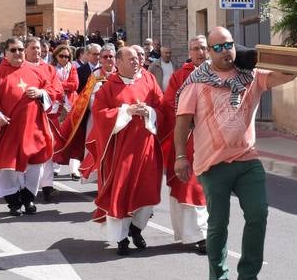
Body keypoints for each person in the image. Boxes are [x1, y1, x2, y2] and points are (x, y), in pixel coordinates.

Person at [173, 26, 296, 280]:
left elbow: (287, 76)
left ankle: (248, 277)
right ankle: (218, 279)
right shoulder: (197, 81)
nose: (223, 51)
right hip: (212, 163)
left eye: (228, 45)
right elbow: (181, 124)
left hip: (247, 159)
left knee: (258, 214)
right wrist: (181, 157)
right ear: (208, 51)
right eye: (216, 47)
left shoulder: (250, 75)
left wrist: (282, 54)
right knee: (219, 222)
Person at [87, 46, 164, 255]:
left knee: (147, 190)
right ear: (118, 63)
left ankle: (136, 228)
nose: (136, 61)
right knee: (120, 192)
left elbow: (162, 107)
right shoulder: (108, 87)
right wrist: (126, 111)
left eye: (137, 58)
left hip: (146, 147)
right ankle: (121, 239)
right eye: (130, 59)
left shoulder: (148, 80)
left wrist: (149, 111)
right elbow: (100, 114)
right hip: (120, 151)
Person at [0, 37, 60, 216]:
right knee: (8, 169)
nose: (18, 53)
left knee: (35, 166)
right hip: (7, 130)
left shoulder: (35, 71)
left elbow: (53, 90)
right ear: (5, 53)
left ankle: (29, 197)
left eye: (20, 49)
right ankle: (14, 202)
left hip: (34, 128)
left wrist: (41, 93)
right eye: (14, 50)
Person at [159, 36, 210, 253]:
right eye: (196, 48)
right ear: (189, 52)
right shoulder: (181, 76)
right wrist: (189, 118)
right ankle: (198, 235)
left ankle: (205, 232)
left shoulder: (218, 72)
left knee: (210, 187)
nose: (200, 52)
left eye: (204, 48)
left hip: (214, 139)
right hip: (189, 139)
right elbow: (169, 102)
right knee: (191, 185)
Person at [56, 44, 117, 178]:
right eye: (105, 57)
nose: (108, 59)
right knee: (97, 147)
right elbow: (89, 96)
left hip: (118, 117)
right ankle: (97, 176)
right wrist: (101, 109)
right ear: (101, 59)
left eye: (111, 57)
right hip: (97, 117)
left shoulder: (120, 72)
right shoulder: (96, 74)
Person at [46, 45, 80, 190]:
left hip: (71, 105)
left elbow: (75, 85)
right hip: (55, 106)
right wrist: (61, 86)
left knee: (72, 136)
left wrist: (59, 85)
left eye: (67, 57)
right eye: (61, 56)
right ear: (56, 56)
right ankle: (55, 166)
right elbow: (49, 85)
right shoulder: (50, 68)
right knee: (56, 137)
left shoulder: (71, 68)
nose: (64, 59)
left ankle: (74, 168)